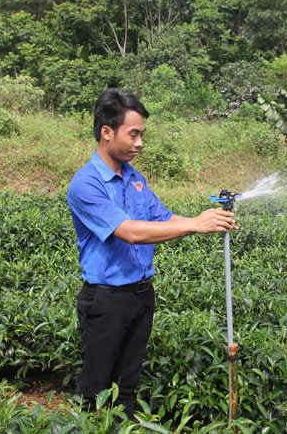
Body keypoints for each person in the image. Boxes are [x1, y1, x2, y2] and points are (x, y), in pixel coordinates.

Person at [66, 88, 237, 418]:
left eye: (141, 135)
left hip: (141, 297)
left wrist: (209, 219)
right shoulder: (86, 184)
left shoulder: (135, 177)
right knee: (95, 388)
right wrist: (195, 225)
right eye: (133, 134)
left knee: (127, 385)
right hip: (106, 300)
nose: (140, 143)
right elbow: (129, 231)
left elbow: (164, 219)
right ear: (106, 132)